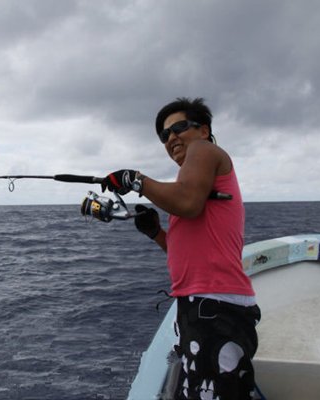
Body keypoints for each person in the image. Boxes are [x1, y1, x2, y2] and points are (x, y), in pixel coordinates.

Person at [101, 98, 261, 400]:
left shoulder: (204, 150)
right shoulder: (190, 181)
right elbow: (187, 250)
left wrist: (135, 179)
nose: (171, 137)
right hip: (202, 306)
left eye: (179, 127)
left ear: (203, 130)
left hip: (215, 307)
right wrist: (156, 233)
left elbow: (187, 203)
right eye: (164, 135)